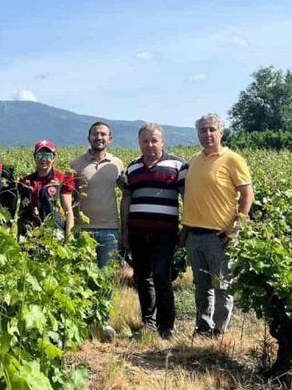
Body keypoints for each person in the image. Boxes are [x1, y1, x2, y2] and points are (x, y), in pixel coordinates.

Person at [179, 114, 255, 337]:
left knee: (222, 287)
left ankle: (219, 331)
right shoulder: (194, 160)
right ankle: (203, 327)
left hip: (219, 235)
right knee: (202, 287)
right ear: (198, 134)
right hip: (195, 235)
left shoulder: (233, 159)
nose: (207, 134)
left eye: (212, 129)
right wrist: (185, 231)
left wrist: (236, 227)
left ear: (221, 133)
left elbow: (247, 195)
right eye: (203, 130)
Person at [120, 123, 187, 339]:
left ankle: (166, 326)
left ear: (162, 142)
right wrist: (125, 230)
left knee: (161, 277)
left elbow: (187, 198)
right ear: (139, 143)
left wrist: (186, 227)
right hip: (138, 232)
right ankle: (148, 322)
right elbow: (127, 199)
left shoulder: (178, 165)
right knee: (142, 277)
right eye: (145, 141)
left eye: (154, 140)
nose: (150, 145)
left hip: (165, 233)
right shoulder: (132, 168)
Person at [69, 121, 124, 268]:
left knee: (107, 278)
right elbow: (68, 198)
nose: (99, 137)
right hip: (83, 229)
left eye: (103, 134)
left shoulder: (117, 164)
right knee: (82, 278)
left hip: (110, 229)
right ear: (89, 138)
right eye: (95, 134)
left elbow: (127, 193)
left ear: (109, 139)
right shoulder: (75, 165)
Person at [17, 140, 75, 235]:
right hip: (29, 234)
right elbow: (21, 212)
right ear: (34, 157)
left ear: (54, 157)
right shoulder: (26, 181)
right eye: (39, 155)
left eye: (48, 155)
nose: (43, 159)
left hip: (54, 235)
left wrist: (68, 237)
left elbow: (68, 211)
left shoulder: (62, 179)